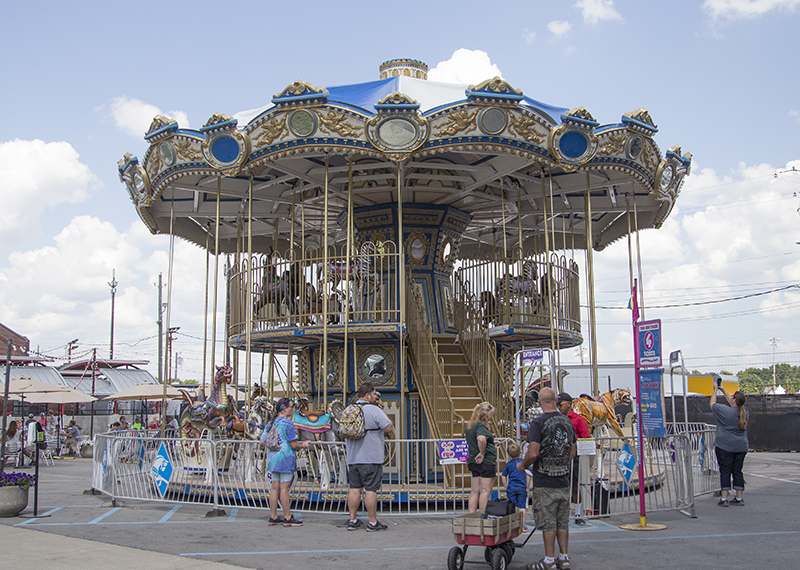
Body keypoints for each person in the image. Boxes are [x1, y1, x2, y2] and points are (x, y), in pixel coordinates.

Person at [518, 387, 577, 570]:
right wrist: (561, 462)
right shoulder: (567, 422)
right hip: (563, 478)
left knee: (548, 521)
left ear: (540, 402)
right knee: (562, 520)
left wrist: (522, 465)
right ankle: (564, 557)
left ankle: (549, 560)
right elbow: (573, 450)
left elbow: (533, 452)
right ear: (555, 401)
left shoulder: (538, 423)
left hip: (545, 479)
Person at [345, 381, 393, 532]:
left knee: (354, 488)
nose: (374, 397)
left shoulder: (349, 409)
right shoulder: (373, 410)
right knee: (371, 490)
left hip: (353, 458)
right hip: (370, 457)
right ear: (367, 395)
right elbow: (388, 427)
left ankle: (353, 519)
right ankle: (372, 522)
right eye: (373, 394)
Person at [260, 397, 310, 526]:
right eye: (291, 406)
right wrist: (303, 445)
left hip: (272, 458)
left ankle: (273, 516)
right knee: (284, 489)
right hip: (285, 458)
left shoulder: (271, 423)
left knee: (274, 488)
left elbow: (262, 441)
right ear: (284, 408)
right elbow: (293, 445)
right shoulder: (288, 424)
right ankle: (287, 517)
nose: (292, 409)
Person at [710, 380, 749, 506]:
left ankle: (724, 498)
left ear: (734, 400)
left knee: (725, 471)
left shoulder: (724, 411)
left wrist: (715, 390)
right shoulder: (744, 412)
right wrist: (723, 389)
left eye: (732, 396)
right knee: (737, 471)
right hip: (741, 447)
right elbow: (732, 401)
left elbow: (712, 403)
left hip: (725, 446)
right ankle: (739, 498)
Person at [556, 392, 591, 525]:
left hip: (573, 456)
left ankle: (577, 513)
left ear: (569, 404)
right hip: (559, 456)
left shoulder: (578, 420)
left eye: (561, 404)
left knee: (575, 485)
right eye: (557, 405)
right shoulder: (556, 418)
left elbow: (586, 437)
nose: (559, 407)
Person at [465, 401, 497, 514]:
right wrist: (482, 453)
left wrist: (492, 442)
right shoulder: (481, 426)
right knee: (485, 491)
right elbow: (481, 439)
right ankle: (484, 515)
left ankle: (471, 514)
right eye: (491, 415)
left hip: (473, 461)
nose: (491, 417)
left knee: (475, 491)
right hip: (485, 461)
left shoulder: (470, 426)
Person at [501, 442, 531, 528]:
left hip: (512, 487)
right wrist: (527, 486)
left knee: (511, 507)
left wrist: (506, 485)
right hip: (522, 487)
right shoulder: (524, 463)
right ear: (520, 452)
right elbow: (528, 475)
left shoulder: (508, 464)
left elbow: (503, 476)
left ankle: (512, 525)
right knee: (522, 507)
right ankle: (523, 525)